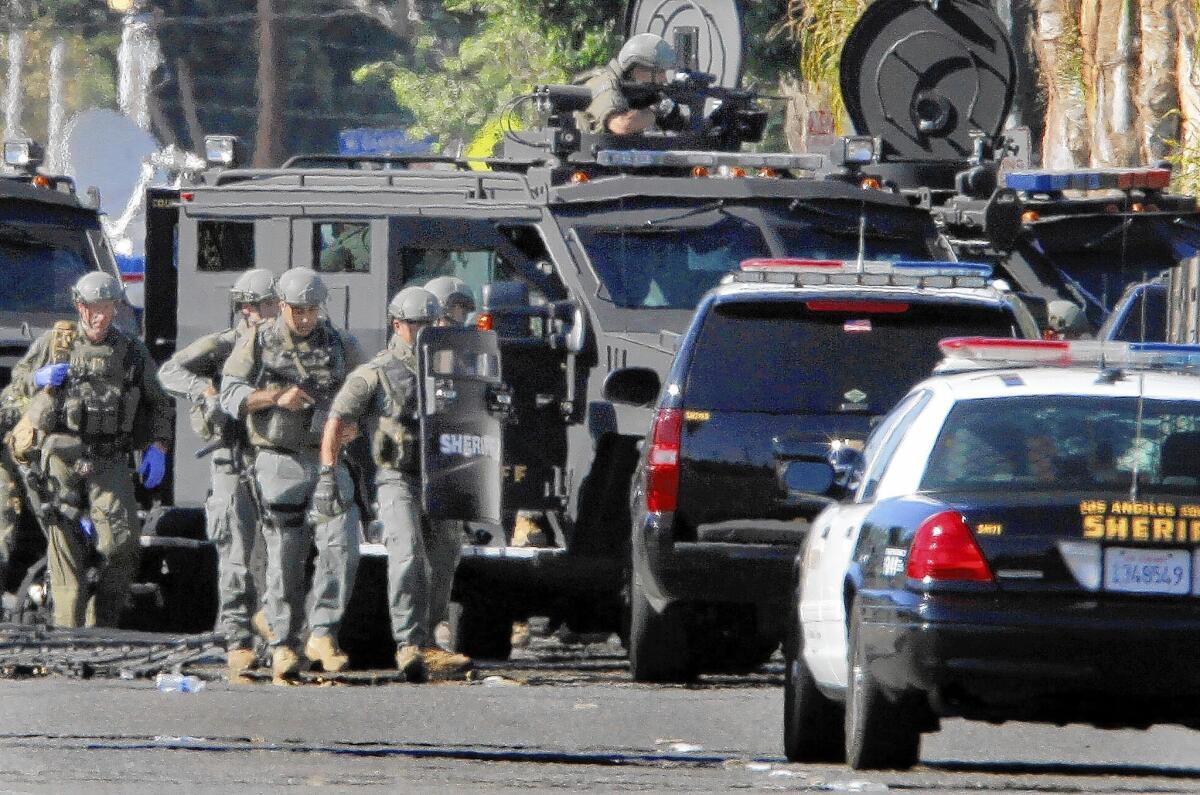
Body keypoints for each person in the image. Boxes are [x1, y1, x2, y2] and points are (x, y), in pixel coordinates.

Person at [317, 286, 472, 682]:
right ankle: (409, 644)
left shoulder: (452, 364)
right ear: (397, 324)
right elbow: (336, 419)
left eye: (432, 323)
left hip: (442, 473)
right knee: (406, 553)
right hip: (396, 476)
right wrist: (328, 473)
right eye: (417, 324)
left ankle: (433, 639)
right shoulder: (376, 372)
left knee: (445, 554)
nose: (426, 331)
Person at [219, 267, 363, 684]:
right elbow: (231, 392)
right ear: (281, 305)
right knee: (284, 554)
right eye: (297, 310)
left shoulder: (340, 344)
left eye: (311, 310)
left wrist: (358, 423)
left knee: (342, 543)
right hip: (277, 457)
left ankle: (323, 632)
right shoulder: (258, 341)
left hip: (327, 458)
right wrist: (273, 397)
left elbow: (369, 390)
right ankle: (282, 643)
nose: (304, 318)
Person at [8, 271, 173, 628]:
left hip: (110, 457)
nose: (100, 316)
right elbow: (16, 384)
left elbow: (158, 403)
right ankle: (68, 636)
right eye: (93, 308)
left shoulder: (130, 351)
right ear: (79, 308)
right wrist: (37, 379)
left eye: (108, 308)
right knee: (64, 545)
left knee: (122, 544)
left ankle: (104, 624)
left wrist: (157, 447)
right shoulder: (55, 344)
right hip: (60, 458)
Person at [157, 268, 278, 682]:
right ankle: (237, 640)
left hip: (274, 459)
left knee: (278, 556)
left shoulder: (285, 347)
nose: (253, 312)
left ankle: (273, 640)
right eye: (246, 306)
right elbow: (169, 372)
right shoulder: (224, 344)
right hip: (230, 458)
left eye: (259, 304)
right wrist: (206, 391)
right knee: (234, 553)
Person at [577, 33, 677, 135]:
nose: (664, 78)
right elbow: (622, 126)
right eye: (660, 71)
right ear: (638, 69)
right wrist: (659, 108)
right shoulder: (605, 83)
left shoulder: (640, 92)